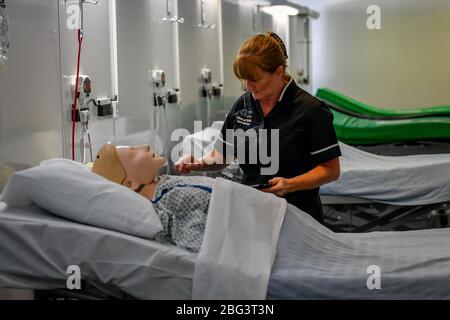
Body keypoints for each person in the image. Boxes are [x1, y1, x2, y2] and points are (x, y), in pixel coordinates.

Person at [175, 32, 341, 224]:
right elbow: (223, 155)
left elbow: (330, 169)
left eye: (254, 79)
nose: (247, 87)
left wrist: (290, 185)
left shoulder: (311, 110)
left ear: (278, 72)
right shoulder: (243, 105)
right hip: (252, 212)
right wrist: (198, 162)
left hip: (298, 215)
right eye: (243, 80)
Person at [92, 142, 215, 252]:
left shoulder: (164, 183)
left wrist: (199, 163)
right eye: (134, 151)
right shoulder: (164, 206)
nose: (145, 146)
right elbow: (201, 241)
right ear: (129, 184)